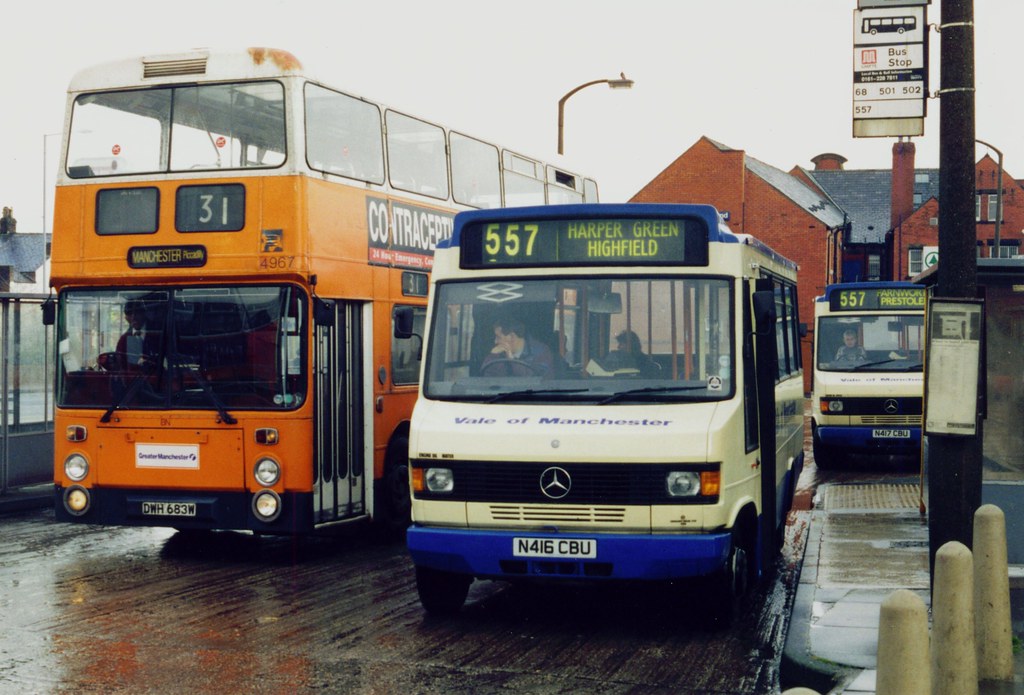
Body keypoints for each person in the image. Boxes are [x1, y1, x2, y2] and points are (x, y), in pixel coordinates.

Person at [480, 317, 554, 377]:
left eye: (498, 337)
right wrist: (492, 356)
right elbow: (486, 378)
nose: (495, 341)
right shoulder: (498, 354)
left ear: (512, 336)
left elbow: (539, 381)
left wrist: (511, 359)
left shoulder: (541, 352)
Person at [115, 300, 161, 369]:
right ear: (126, 318)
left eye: (137, 312)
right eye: (129, 313)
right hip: (131, 378)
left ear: (144, 313)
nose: (133, 317)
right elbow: (119, 366)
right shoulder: (124, 339)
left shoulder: (159, 334)